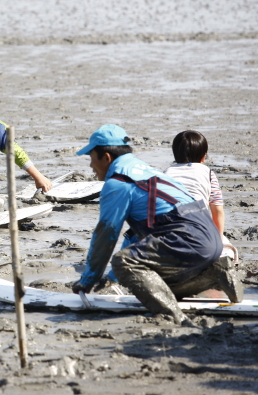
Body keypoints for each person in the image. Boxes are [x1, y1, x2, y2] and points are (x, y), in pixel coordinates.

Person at [72, 124, 243, 324]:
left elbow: (106, 234)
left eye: (91, 158)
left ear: (106, 157)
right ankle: (215, 272)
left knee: (124, 262)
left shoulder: (119, 182)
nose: (91, 166)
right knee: (153, 282)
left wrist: (88, 280)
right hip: (212, 241)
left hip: (186, 239)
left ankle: (176, 318)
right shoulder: (149, 171)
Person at [165, 130, 237, 261]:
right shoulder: (208, 173)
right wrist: (218, 242)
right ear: (203, 157)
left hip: (170, 235)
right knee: (227, 247)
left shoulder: (166, 173)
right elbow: (218, 212)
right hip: (200, 232)